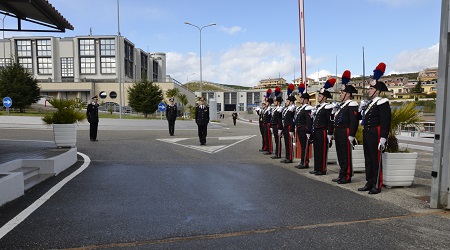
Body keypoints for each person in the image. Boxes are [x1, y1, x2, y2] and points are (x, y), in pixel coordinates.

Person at [358, 79, 391, 194]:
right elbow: (361, 119)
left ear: (377, 91)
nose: (369, 90)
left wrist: (383, 137)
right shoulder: (369, 104)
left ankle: (377, 184)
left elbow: (385, 121)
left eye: (371, 89)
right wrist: (360, 110)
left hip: (375, 133)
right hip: (367, 132)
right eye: (369, 88)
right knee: (368, 159)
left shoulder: (382, 102)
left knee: (375, 159)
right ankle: (370, 182)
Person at [332, 78, 359, 184]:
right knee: (340, 153)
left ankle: (347, 175)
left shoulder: (352, 104)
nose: (340, 94)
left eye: (342, 92)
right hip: (338, 131)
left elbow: (354, 121)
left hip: (345, 131)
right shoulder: (342, 105)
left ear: (348, 94)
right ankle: (341, 174)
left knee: (346, 154)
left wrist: (352, 134)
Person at [310, 79, 335, 175]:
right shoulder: (318, 107)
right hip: (316, 130)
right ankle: (317, 168)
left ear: (324, 98)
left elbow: (330, 121)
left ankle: (322, 169)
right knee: (316, 150)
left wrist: (330, 134)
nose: (318, 97)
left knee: (322, 150)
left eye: (320, 96)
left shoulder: (328, 107)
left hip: (323, 130)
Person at [294, 92, 313, 169]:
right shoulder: (301, 108)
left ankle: (305, 162)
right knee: (302, 146)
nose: (300, 100)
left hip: (304, 129)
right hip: (299, 128)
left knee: (305, 147)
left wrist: (308, 131)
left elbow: (309, 120)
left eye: (302, 99)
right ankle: (302, 161)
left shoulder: (307, 108)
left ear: (306, 100)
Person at [281, 95, 296, 163]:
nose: (286, 102)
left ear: (291, 102)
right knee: (286, 142)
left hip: (289, 126)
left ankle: (290, 158)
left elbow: (293, 119)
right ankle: (287, 157)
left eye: (287, 101)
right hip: (285, 126)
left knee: (289, 143)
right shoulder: (287, 109)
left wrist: (291, 129)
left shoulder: (292, 108)